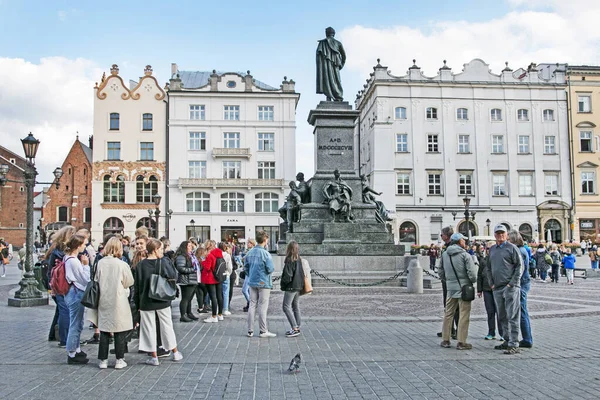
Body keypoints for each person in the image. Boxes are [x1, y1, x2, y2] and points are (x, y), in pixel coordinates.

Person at [134, 238, 183, 366]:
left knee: (148, 328)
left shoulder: (140, 265)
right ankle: (175, 352)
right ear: (155, 250)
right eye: (161, 249)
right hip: (162, 298)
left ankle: (154, 356)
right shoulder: (163, 262)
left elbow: (137, 287)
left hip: (146, 300)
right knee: (167, 325)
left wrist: (137, 304)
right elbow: (173, 276)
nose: (162, 251)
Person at [94, 237, 134, 369]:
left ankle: (103, 360)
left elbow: (96, 279)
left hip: (104, 298)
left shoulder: (100, 263)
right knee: (119, 329)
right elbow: (129, 281)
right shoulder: (122, 264)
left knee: (105, 329)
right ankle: (119, 359)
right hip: (119, 299)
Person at [485, 224, 523, 355]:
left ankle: (514, 343)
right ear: (495, 235)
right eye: (498, 233)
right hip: (497, 288)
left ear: (506, 235)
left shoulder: (512, 248)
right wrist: (491, 284)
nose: (500, 235)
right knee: (502, 316)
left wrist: (511, 284)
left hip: (510, 287)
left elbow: (519, 267)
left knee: (512, 315)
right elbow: (488, 268)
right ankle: (507, 340)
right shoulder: (493, 249)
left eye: (503, 233)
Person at [440, 233, 477, 350]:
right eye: (463, 240)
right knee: (464, 314)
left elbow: (440, 271)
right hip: (464, 288)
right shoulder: (465, 255)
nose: (465, 242)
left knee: (448, 313)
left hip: (451, 288)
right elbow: (473, 274)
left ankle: (446, 339)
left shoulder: (445, 254)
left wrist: (449, 281)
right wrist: (471, 280)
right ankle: (461, 341)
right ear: (459, 241)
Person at [46, 226, 77, 347]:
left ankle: (53, 334)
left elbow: (50, 271)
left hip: (57, 284)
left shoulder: (55, 250)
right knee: (65, 311)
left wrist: (51, 285)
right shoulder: (66, 252)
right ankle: (64, 339)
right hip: (65, 284)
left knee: (60, 310)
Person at [63, 234, 91, 364]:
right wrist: (85, 265)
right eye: (84, 244)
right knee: (75, 323)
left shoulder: (67, 257)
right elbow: (85, 279)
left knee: (78, 323)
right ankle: (72, 353)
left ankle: (76, 348)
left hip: (71, 292)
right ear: (78, 245)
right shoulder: (74, 261)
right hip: (75, 292)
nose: (85, 247)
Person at [244, 230, 276, 338]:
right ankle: (263, 330)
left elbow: (246, 268)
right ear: (265, 240)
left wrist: (251, 275)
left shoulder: (250, 253)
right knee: (262, 306)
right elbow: (270, 268)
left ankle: (250, 330)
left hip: (252, 281)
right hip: (263, 282)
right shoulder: (266, 254)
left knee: (252, 305)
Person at [508, 230, 533, 349]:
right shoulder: (521, 250)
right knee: (521, 310)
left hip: (522, 283)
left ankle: (527, 338)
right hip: (523, 281)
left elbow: (521, 270)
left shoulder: (520, 251)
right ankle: (525, 337)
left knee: (522, 310)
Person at [280, 240, 310, 338]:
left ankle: (294, 327)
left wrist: (283, 283)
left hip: (291, 286)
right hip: (298, 285)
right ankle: (297, 325)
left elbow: (287, 276)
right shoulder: (299, 259)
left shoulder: (289, 260)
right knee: (295, 306)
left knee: (286, 306)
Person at [477, 243, 502, 341]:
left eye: (490, 248)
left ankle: (503, 333)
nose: (488, 250)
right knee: (490, 312)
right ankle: (491, 332)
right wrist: (479, 290)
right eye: (487, 248)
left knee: (500, 312)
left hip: (497, 289)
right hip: (486, 289)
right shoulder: (483, 261)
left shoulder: (499, 260)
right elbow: (479, 276)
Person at [437, 226, 459, 340]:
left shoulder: (452, 247)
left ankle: (454, 330)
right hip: (448, 280)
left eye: (442, 235)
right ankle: (449, 329)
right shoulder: (448, 246)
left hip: (451, 280)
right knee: (448, 305)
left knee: (453, 306)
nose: (441, 237)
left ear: (446, 235)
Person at [316, 26, 346, 101]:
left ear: (326, 33)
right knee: (336, 80)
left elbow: (318, 55)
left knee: (327, 79)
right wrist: (341, 64)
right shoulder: (338, 43)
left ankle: (329, 96)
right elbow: (344, 56)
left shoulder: (322, 43)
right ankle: (338, 96)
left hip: (326, 65)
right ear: (334, 34)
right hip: (335, 64)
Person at [174, 240, 199, 322]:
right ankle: (183, 315)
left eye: (191, 246)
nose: (191, 247)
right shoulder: (181, 256)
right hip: (186, 280)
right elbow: (181, 268)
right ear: (184, 247)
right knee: (185, 298)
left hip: (192, 279)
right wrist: (193, 269)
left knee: (190, 298)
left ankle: (189, 313)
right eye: (189, 246)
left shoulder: (191, 256)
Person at [201, 240, 224, 323]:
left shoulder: (210, 255)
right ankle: (220, 314)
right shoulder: (219, 254)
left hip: (210, 278)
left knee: (213, 297)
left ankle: (214, 316)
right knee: (219, 296)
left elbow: (207, 267)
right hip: (219, 277)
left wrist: (203, 261)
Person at [219, 242, 234, 316]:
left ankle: (218, 308)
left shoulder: (216, 254)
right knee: (225, 292)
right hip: (225, 274)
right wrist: (228, 274)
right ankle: (225, 309)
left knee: (218, 292)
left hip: (217, 276)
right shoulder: (227, 255)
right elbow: (230, 267)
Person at [241, 239, 256, 312]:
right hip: (249, 272)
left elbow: (244, 259)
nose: (247, 244)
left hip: (249, 273)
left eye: (248, 243)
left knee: (244, 290)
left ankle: (251, 303)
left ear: (252, 244)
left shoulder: (251, 251)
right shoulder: (249, 251)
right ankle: (250, 303)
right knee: (249, 290)